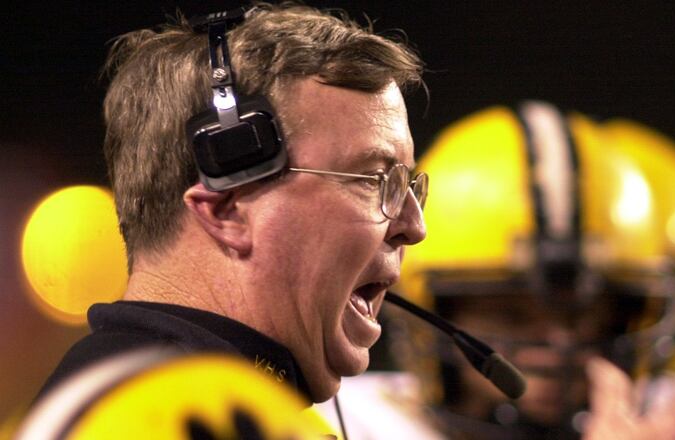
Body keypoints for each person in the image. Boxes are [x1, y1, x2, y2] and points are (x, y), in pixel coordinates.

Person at [35, 2, 427, 410]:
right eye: (374, 180)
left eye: (409, 185)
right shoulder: (151, 415)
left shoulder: (198, 400)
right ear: (228, 210)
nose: (414, 226)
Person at [360, 100, 675, 439]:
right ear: (432, 314)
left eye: (582, 313)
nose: (558, 343)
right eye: (511, 314)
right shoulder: (345, 425)